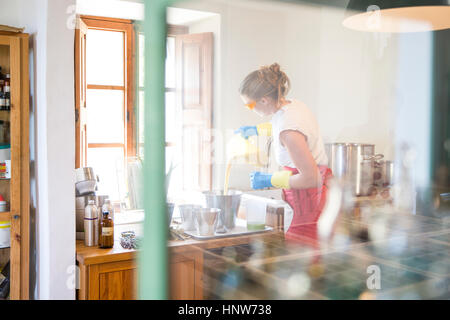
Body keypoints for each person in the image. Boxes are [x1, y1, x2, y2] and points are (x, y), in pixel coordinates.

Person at [235, 63, 332, 242]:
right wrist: (256, 130)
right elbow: (281, 124)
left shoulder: (289, 132)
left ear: (264, 100)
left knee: (304, 254)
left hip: (309, 198)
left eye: (249, 105)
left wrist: (270, 179)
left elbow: (311, 178)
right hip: (305, 195)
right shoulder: (293, 105)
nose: (250, 109)